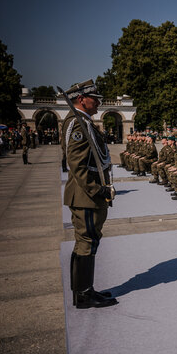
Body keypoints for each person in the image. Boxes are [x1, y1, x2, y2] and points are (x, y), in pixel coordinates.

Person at [63, 80, 117, 309]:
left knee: (87, 242)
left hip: (87, 194)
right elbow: (77, 165)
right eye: (94, 98)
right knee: (86, 242)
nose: (98, 102)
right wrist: (98, 190)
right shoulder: (78, 123)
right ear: (81, 99)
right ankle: (84, 294)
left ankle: (84, 290)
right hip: (86, 195)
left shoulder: (83, 121)